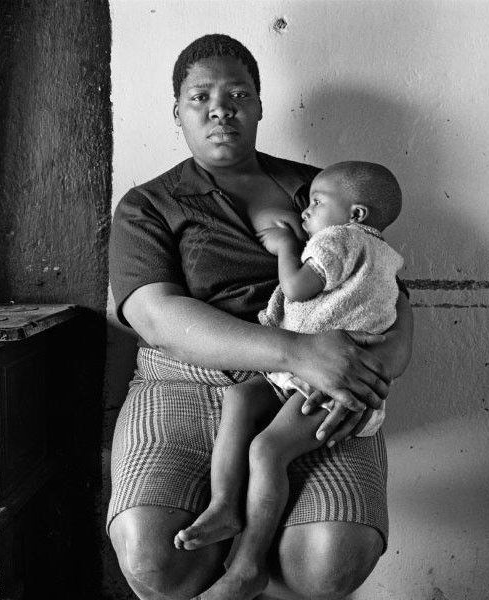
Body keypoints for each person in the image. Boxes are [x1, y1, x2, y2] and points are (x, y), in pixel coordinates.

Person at [107, 33, 413, 600]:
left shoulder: (324, 190)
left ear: (259, 107)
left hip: (319, 387)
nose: (220, 109)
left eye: (238, 95)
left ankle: (253, 571)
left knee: (329, 564)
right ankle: (233, 531)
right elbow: (156, 317)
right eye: (200, 97)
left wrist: (374, 372)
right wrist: (295, 351)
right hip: (185, 383)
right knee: (155, 560)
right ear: (176, 113)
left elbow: (388, 293)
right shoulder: (150, 204)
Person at [173, 161, 404, 598]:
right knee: (242, 396)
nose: (307, 212)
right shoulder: (386, 256)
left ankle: (247, 565)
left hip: (323, 383)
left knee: (267, 450)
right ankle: (225, 508)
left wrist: (283, 246)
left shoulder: (336, 240)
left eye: (317, 203)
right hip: (308, 373)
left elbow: (298, 289)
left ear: (355, 215)